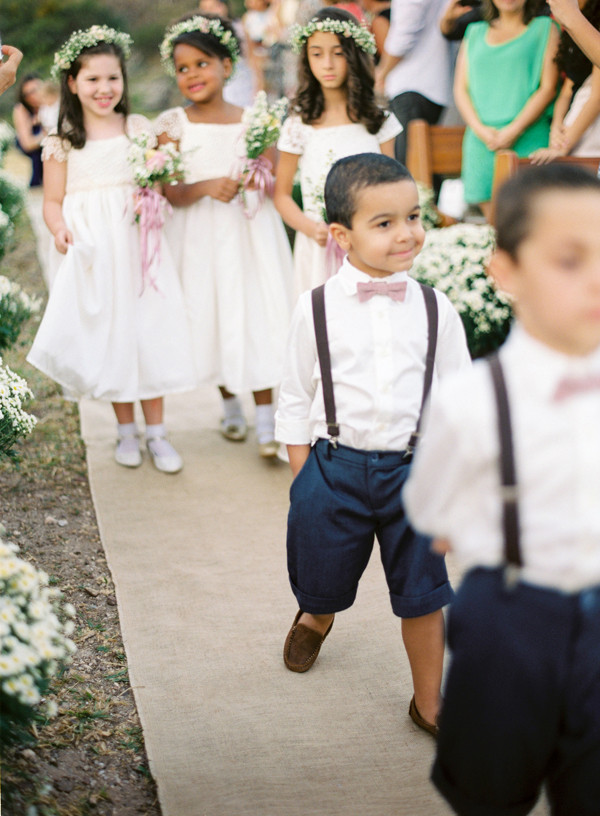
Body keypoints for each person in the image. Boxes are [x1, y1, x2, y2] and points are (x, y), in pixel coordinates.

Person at [404, 162, 600, 815]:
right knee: (490, 790)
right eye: (569, 260)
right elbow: (432, 512)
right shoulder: (468, 401)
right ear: (506, 271)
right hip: (510, 619)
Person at [275, 153, 471, 735]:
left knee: (425, 593)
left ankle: (428, 703)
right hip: (333, 467)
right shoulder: (314, 309)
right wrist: (303, 480)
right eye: (383, 223)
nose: (407, 232)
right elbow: (294, 396)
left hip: (416, 473)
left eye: (413, 216)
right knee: (323, 567)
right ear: (341, 236)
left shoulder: (438, 309)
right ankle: (317, 613)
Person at [27, 26, 195, 473]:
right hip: (96, 249)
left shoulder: (138, 129)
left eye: (112, 79)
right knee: (115, 334)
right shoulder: (63, 140)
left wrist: (162, 168)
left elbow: (155, 180)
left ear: (123, 81)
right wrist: (60, 230)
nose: (104, 89)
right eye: (93, 80)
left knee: (148, 331)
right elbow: (52, 201)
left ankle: (157, 433)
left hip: (139, 246)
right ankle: (126, 431)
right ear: (72, 83)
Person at [155, 13, 293, 459]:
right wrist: (204, 187)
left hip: (249, 236)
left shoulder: (255, 120)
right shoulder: (173, 125)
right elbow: (170, 192)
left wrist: (257, 180)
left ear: (226, 66)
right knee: (211, 316)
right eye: (183, 68)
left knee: (256, 316)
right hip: (199, 239)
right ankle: (229, 404)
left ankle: (268, 419)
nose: (192, 74)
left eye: (202, 63)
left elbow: (275, 178)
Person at [274, 6, 401, 299]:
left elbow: (395, 190)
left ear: (353, 55)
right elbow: (281, 195)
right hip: (318, 247)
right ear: (306, 58)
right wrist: (310, 227)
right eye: (317, 53)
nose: (327, 64)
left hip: (371, 245)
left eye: (338, 53)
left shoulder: (378, 121)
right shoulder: (298, 125)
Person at [454, 0, 559, 221]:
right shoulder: (474, 31)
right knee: (494, 228)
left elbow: (548, 87)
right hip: (481, 141)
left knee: (530, 222)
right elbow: (460, 89)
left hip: (528, 138)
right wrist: (481, 130)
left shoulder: (545, 27)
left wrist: (513, 131)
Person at [374, 0, 452, 165]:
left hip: (413, 86)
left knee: (409, 168)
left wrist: (382, 72)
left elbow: (404, 34)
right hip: (430, 84)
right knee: (422, 164)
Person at [530, 0, 600, 163]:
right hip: (573, 121)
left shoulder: (581, 17)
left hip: (589, 133)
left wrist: (563, 146)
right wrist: (556, 128)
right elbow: (568, 87)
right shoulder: (566, 17)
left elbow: (596, 97)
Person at [13, 73, 45, 187]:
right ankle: (37, 182)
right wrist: (46, 136)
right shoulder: (21, 109)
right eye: (27, 94)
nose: (32, 96)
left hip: (41, 140)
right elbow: (27, 144)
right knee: (39, 151)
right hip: (31, 145)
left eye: (35, 90)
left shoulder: (51, 103)